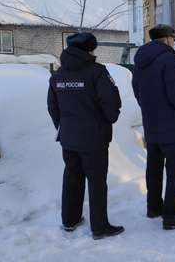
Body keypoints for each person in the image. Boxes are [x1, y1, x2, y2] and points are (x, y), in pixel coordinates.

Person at [47, 32, 124, 240]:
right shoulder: (98, 72)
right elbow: (111, 104)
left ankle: (70, 220)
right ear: (90, 49)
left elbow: (53, 107)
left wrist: (65, 128)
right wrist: (107, 121)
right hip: (94, 138)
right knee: (97, 181)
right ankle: (100, 227)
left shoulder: (57, 75)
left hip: (69, 138)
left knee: (72, 178)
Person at [131, 24, 175, 230]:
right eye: (173, 38)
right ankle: (172, 215)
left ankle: (154, 207)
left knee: (154, 167)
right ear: (168, 39)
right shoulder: (169, 58)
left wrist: (148, 109)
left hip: (151, 122)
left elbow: (136, 89)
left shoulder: (140, 59)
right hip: (171, 124)